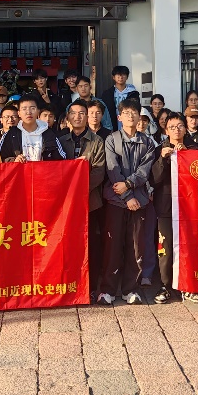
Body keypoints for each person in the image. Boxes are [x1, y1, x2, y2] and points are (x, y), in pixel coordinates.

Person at [99, 101, 157, 304]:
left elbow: (144, 170)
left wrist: (130, 186)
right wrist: (127, 196)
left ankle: (130, 289)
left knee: (135, 247)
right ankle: (107, 290)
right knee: (112, 246)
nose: (130, 116)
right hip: (116, 201)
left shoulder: (148, 142)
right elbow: (112, 169)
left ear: (140, 117)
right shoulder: (111, 139)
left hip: (139, 202)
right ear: (119, 117)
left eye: (134, 112)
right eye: (126, 112)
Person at [64, 99, 107, 298]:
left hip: (90, 202)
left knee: (91, 245)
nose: (78, 117)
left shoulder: (97, 141)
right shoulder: (61, 141)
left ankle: (91, 286)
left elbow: (99, 172)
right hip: (65, 204)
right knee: (67, 244)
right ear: (68, 117)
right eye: (74, 113)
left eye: (82, 113)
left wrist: (79, 190)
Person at [151, 114, 185, 304]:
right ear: (166, 130)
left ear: (185, 129)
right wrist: (162, 159)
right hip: (165, 206)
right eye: (172, 127)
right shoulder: (159, 149)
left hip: (188, 207)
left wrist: (188, 155)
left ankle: (186, 284)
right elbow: (154, 179)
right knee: (165, 247)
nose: (176, 130)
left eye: (180, 126)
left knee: (187, 246)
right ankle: (165, 284)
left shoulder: (193, 149)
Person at [0, 94, 69, 161]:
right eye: (24, 109)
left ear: (38, 111)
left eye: (32, 108)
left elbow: (61, 159)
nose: (28, 112)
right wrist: (14, 160)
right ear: (19, 113)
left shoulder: (48, 133)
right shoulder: (10, 134)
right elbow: (0, 160)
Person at [97, 65, 137, 133]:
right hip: (112, 125)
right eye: (118, 74)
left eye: (123, 74)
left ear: (127, 77)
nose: (120, 77)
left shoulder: (133, 93)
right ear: (113, 77)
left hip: (129, 123)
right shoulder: (107, 94)